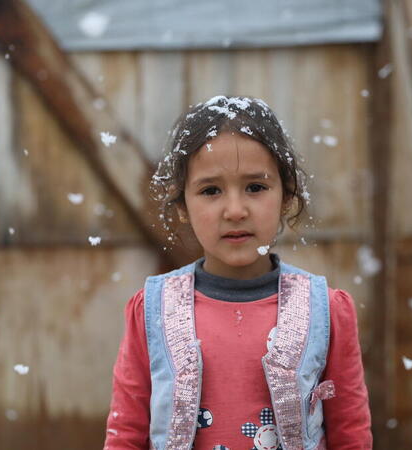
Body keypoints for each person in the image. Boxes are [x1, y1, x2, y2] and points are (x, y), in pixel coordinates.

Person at [104, 95, 372, 450]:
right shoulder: (153, 312)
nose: (235, 210)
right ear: (183, 205)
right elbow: (125, 436)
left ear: (286, 195)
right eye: (211, 190)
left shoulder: (325, 311)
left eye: (255, 187)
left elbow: (351, 434)